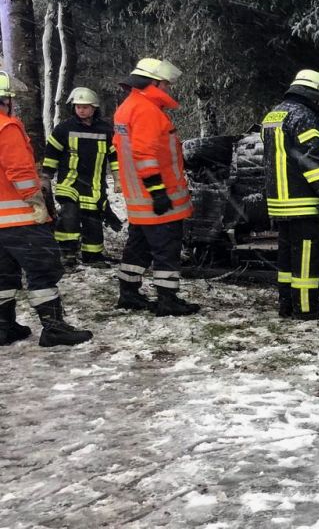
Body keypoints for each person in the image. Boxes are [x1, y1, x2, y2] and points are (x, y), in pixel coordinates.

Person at [0, 71, 93, 347]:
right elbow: (19, 171)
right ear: (6, 101)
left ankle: (3, 327)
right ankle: (53, 328)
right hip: (20, 219)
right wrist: (36, 200)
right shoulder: (6, 127)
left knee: (3, 275)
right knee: (43, 269)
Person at [114, 58, 199, 316]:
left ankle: (128, 293)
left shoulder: (128, 107)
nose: (168, 89)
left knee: (138, 247)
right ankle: (168, 300)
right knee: (166, 249)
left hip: (139, 197)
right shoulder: (147, 110)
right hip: (157, 198)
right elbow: (145, 154)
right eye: (166, 84)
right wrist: (158, 191)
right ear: (154, 82)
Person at [262, 70, 319, 320]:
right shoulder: (305, 117)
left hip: (279, 201)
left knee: (286, 258)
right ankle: (306, 307)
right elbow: (311, 161)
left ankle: (286, 304)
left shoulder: (274, 115)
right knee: (306, 256)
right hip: (302, 200)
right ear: (314, 92)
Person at [42, 87, 119, 268]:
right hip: (69, 183)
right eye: (78, 107)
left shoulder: (106, 130)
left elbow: (114, 157)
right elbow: (51, 154)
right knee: (69, 217)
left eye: (85, 107)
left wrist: (118, 180)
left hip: (94, 186)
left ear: (94, 108)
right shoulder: (64, 129)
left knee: (93, 220)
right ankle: (67, 254)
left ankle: (93, 256)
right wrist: (46, 176)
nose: (81, 110)